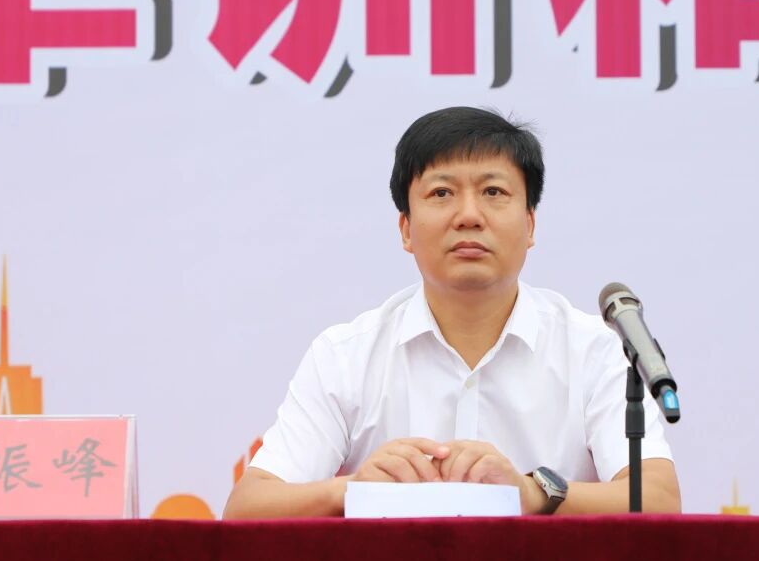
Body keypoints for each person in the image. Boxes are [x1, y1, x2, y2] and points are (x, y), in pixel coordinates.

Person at [224, 107, 679, 518]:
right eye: (442, 193)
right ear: (406, 228)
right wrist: (353, 490)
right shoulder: (345, 355)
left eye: (493, 191)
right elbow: (248, 508)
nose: (468, 215)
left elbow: (658, 499)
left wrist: (532, 492)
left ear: (529, 224)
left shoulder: (593, 350)